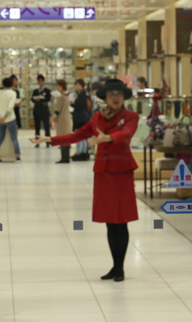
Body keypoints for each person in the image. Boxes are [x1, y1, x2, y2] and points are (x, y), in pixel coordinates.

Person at [34, 78, 139, 281]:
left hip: (122, 172)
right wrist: (49, 139)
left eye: (119, 95)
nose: (115, 98)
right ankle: (115, 266)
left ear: (124, 97)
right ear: (106, 98)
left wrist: (109, 138)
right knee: (110, 221)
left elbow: (127, 134)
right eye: (111, 95)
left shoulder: (130, 116)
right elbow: (76, 136)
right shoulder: (98, 118)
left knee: (122, 221)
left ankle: (120, 268)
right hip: (104, 173)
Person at [0, 77, 21, 162]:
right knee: (14, 138)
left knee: (0, 138)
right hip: (10, 119)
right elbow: (11, 106)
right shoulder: (13, 93)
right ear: (11, 84)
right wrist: (5, 116)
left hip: (0, 119)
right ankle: (17, 156)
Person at [51, 79, 73, 164]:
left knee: (62, 138)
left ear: (61, 86)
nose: (57, 88)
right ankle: (66, 157)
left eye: (57, 86)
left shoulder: (61, 97)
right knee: (67, 138)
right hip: (67, 119)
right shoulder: (67, 97)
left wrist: (52, 118)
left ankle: (64, 158)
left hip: (62, 120)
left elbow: (57, 110)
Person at [71, 78, 93, 161]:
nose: (76, 87)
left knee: (80, 136)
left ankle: (81, 153)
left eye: (77, 85)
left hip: (80, 119)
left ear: (81, 85)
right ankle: (82, 152)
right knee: (82, 136)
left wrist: (73, 104)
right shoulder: (83, 94)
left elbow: (79, 107)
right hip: (83, 118)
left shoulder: (82, 95)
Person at [31, 74, 52, 146]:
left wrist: (41, 99)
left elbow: (48, 99)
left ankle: (48, 142)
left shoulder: (47, 90)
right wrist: (36, 99)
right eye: (39, 81)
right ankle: (37, 142)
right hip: (37, 110)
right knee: (37, 127)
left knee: (46, 127)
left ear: (44, 82)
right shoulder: (35, 91)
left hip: (44, 110)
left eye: (41, 81)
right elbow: (32, 98)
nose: (40, 83)